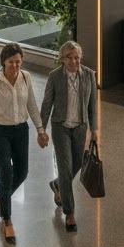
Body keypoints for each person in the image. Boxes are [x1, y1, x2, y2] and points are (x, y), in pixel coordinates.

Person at [0, 43, 47, 245]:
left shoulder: (26, 77)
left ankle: (2, 198)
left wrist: (40, 130)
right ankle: (7, 220)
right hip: (0, 132)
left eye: (18, 62)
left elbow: (31, 104)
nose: (15, 66)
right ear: (3, 62)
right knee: (6, 175)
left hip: (21, 131)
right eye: (11, 62)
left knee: (22, 172)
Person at [40, 40, 98, 233]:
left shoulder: (89, 75)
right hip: (61, 127)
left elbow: (93, 106)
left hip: (80, 126)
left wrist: (95, 129)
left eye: (77, 58)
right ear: (62, 59)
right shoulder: (55, 77)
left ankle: (57, 185)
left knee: (78, 164)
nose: (74, 62)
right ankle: (70, 212)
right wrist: (42, 130)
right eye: (70, 58)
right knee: (65, 167)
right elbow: (47, 103)